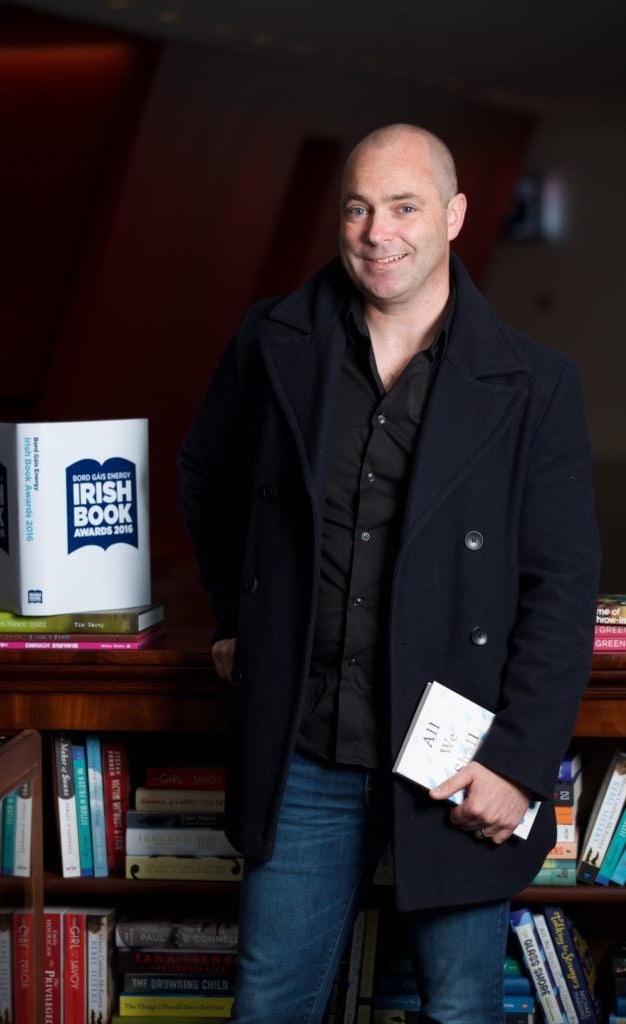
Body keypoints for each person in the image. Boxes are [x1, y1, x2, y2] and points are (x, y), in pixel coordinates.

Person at [178, 124, 601, 1024]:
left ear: (451, 216)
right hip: (303, 749)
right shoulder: (274, 341)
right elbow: (206, 477)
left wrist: (518, 765)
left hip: (451, 762)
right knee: (269, 1006)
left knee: (457, 1009)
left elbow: (560, 588)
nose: (379, 231)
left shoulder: (536, 383)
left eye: (404, 206)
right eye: (359, 207)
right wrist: (228, 615)